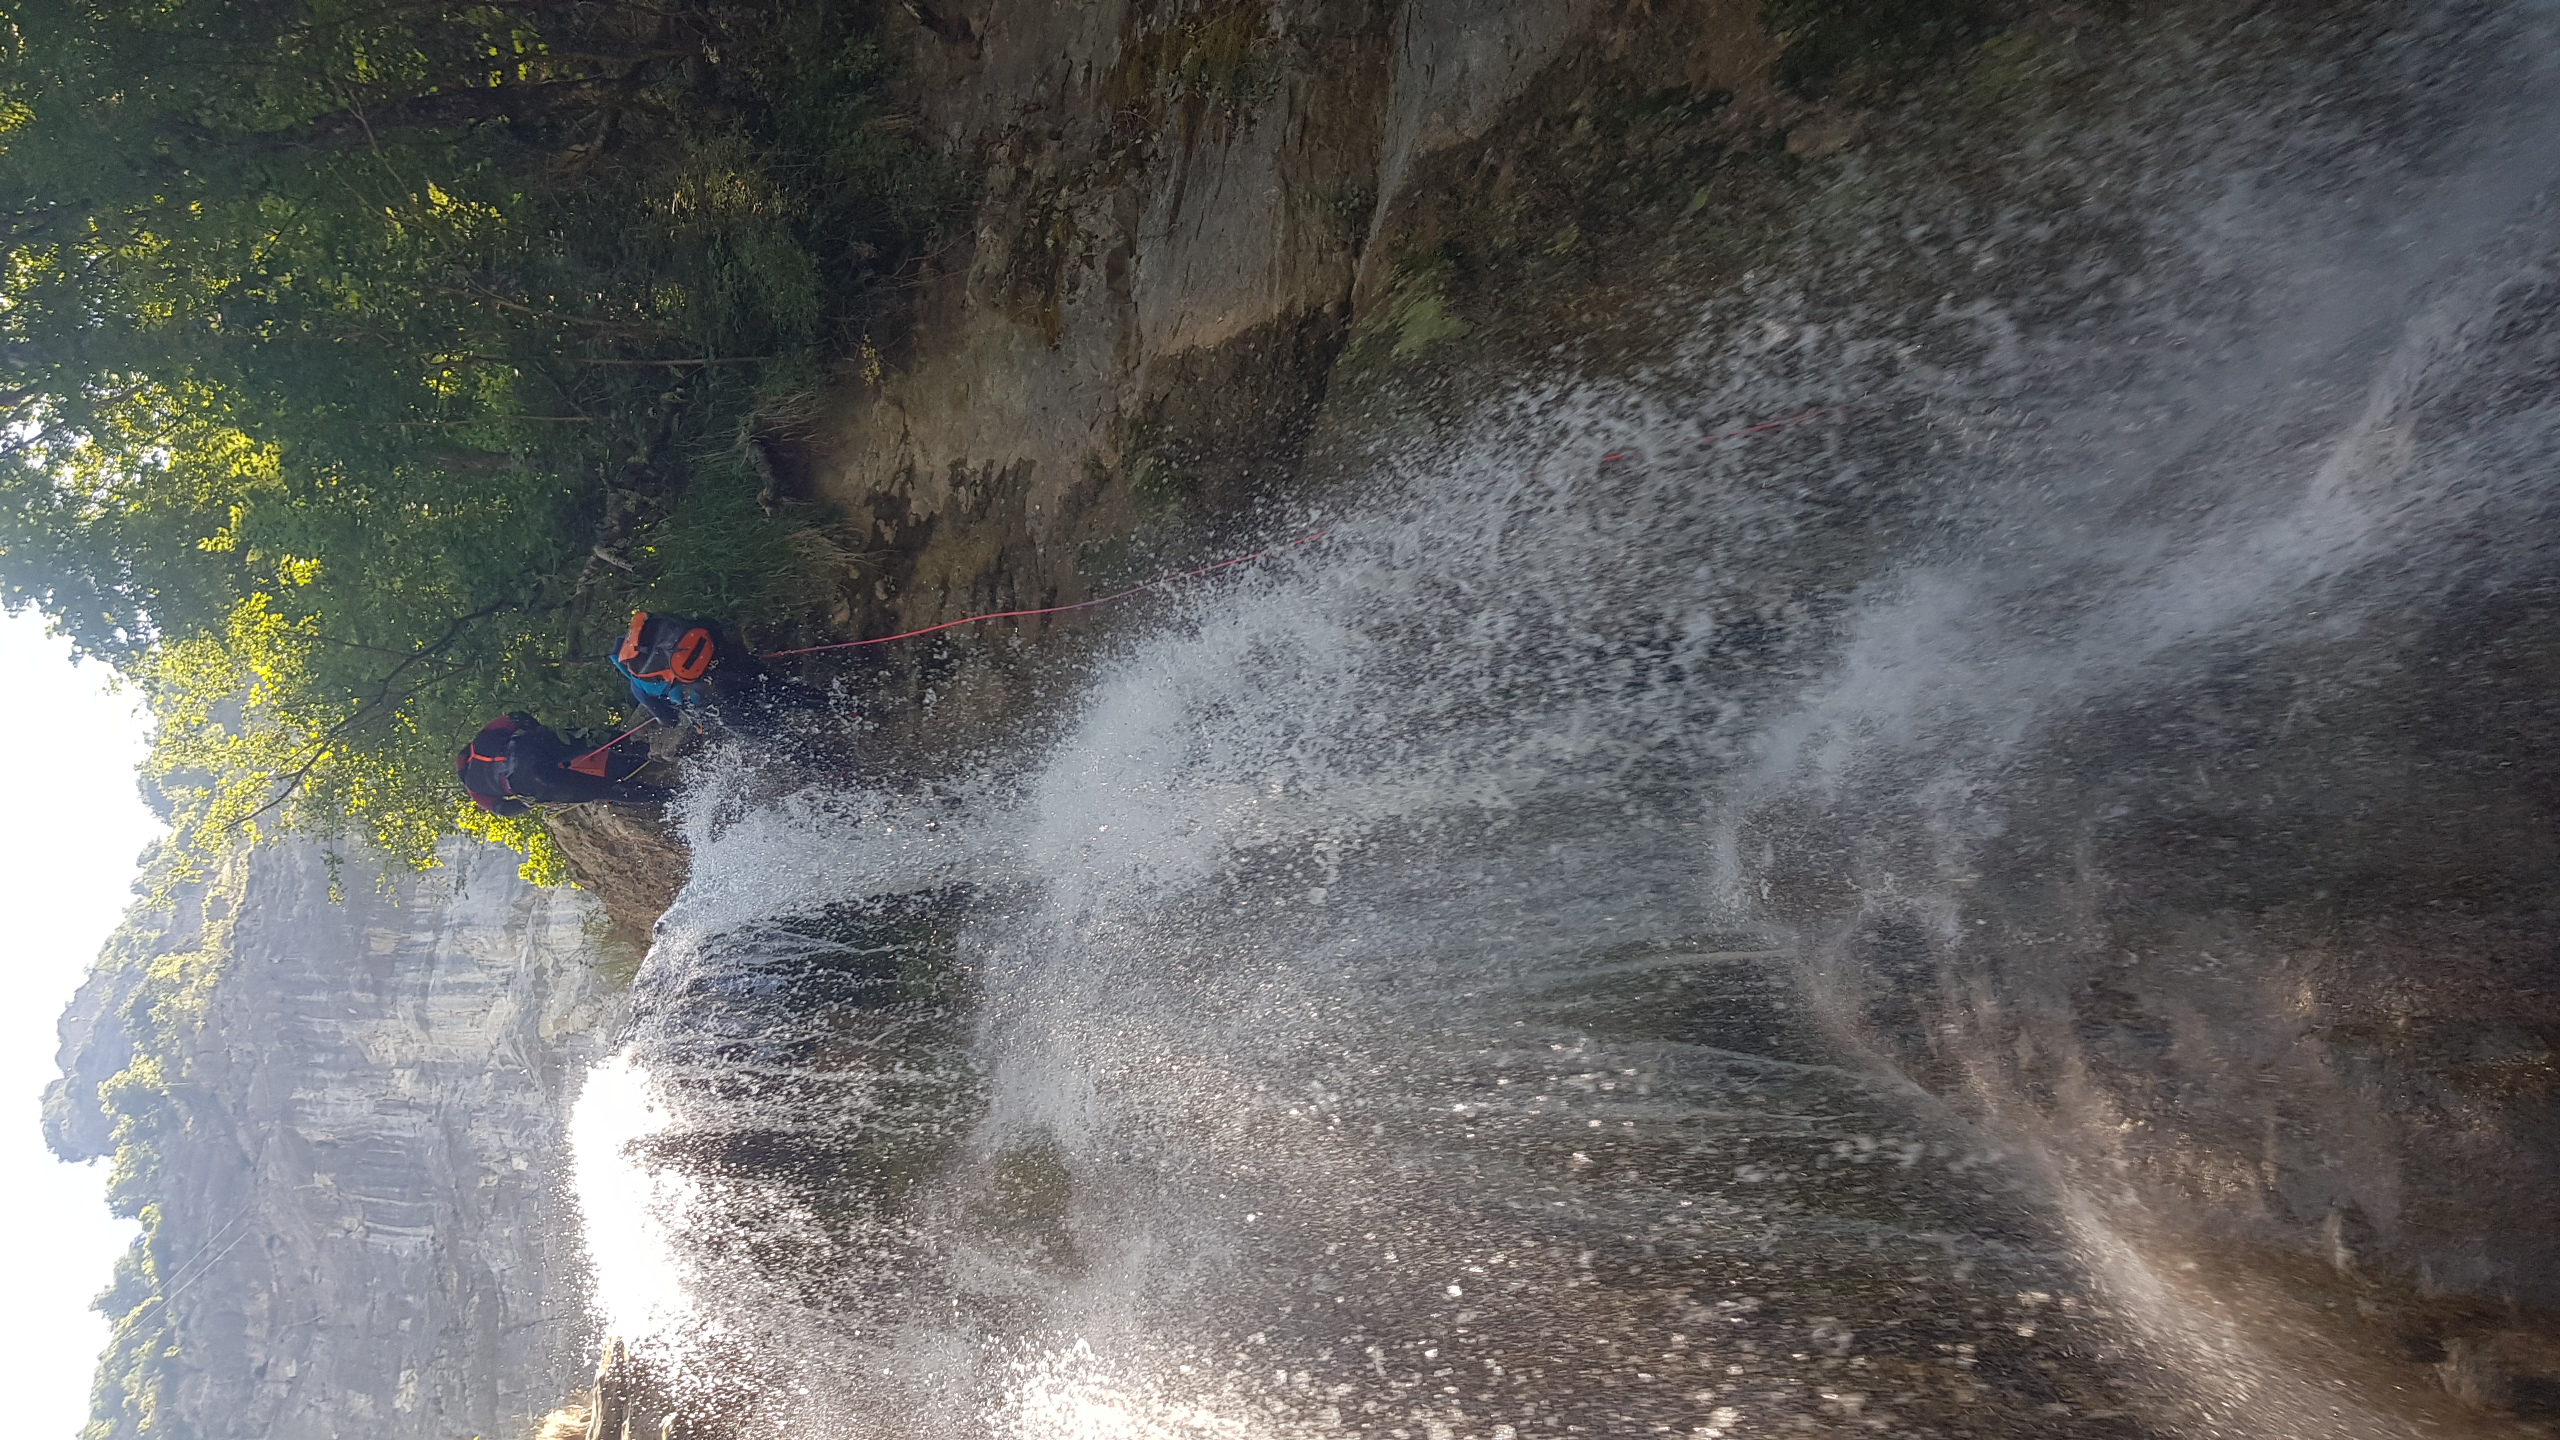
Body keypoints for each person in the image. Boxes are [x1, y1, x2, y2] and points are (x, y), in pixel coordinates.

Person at [612, 610, 802, 737]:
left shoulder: (638, 687)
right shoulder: (662, 625)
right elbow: (710, 625)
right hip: (732, 662)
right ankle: (828, 703)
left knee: (771, 735)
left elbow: (669, 719)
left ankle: (823, 765)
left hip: (714, 700)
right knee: (781, 691)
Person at [455, 712, 669, 814]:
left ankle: (669, 796)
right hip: (532, 747)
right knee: (597, 738)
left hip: (529, 784)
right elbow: (518, 717)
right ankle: (655, 750)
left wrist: (529, 803)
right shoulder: (481, 740)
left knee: (605, 790)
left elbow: (503, 809)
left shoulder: (475, 790)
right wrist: (540, 731)